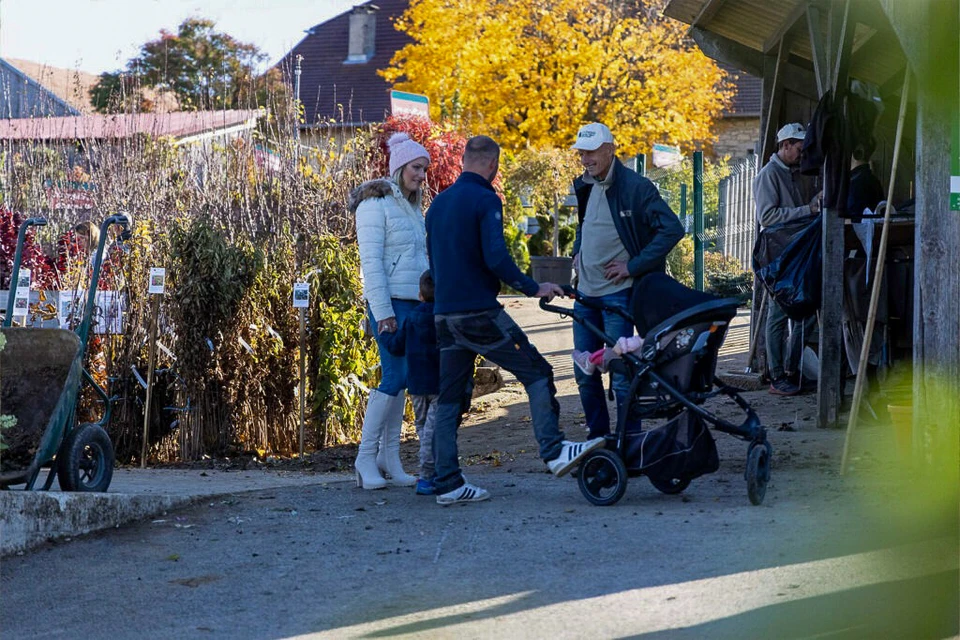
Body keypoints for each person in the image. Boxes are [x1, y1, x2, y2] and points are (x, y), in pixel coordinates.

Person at [426, 135, 604, 505]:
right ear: (492, 165)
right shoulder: (486, 199)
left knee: (449, 398)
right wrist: (532, 286)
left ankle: (447, 483)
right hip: (480, 313)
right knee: (537, 372)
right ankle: (554, 452)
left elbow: (436, 263)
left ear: (463, 160)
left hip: (444, 314)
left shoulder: (438, 205)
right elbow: (496, 258)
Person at [570, 122, 684, 438]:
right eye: (581, 153)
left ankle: (629, 440)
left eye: (591, 152)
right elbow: (585, 225)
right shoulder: (586, 184)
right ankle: (598, 438)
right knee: (584, 372)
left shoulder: (637, 187)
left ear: (610, 150)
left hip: (618, 296)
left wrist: (633, 266)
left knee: (620, 374)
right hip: (585, 296)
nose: (585, 159)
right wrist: (578, 250)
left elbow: (672, 229)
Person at [349, 132, 431, 490]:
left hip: (414, 304)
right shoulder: (374, 205)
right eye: (416, 168)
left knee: (404, 379)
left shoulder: (413, 208)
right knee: (394, 377)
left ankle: (390, 457)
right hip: (390, 305)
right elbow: (371, 263)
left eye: (425, 169)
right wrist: (382, 312)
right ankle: (365, 457)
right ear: (399, 167)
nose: (422, 175)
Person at [754, 123, 821, 396]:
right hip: (778, 255)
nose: (802, 154)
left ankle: (790, 371)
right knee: (779, 313)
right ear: (785, 145)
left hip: (792, 252)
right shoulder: (768, 175)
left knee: (800, 311)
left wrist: (812, 205)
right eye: (799, 148)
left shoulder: (791, 174)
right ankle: (778, 376)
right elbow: (767, 218)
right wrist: (807, 208)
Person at [382, 270, 441, 496]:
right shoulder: (443, 319)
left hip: (416, 385)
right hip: (438, 384)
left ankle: (431, 471)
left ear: (420, 294)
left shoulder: (412, 319)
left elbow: (396, 346)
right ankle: (427, 476)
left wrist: (385, 334)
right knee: (433, 432)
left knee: (423, 427)